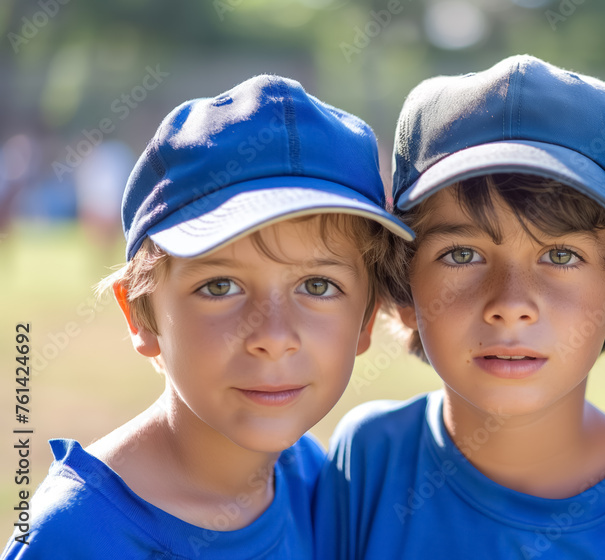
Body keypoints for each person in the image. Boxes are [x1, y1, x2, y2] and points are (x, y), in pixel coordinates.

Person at [314, 55, 605, 559]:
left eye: (561, 256)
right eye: (463, 255)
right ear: (404, 291)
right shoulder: (370, 458)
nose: (511, 305)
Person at [1, 74, 413, 559]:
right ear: (141, 315)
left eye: (317, 286)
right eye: (220, 287)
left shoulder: (316, 483)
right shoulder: (76, 537)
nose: (273, 336)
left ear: (366, 320)